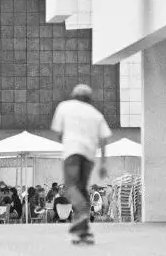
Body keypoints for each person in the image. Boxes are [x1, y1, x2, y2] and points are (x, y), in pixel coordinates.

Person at [51, 84, 112, 241]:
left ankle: (83, 213)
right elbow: (104, 138)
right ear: (90, 99)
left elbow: (58, 133)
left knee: (70, 187)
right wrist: (104, 163)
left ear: (73, 95)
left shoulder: (64, 107)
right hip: (89, 156)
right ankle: (82, 230)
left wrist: (68, 141)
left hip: (72, 152)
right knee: (82, 188)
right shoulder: (96, 114)